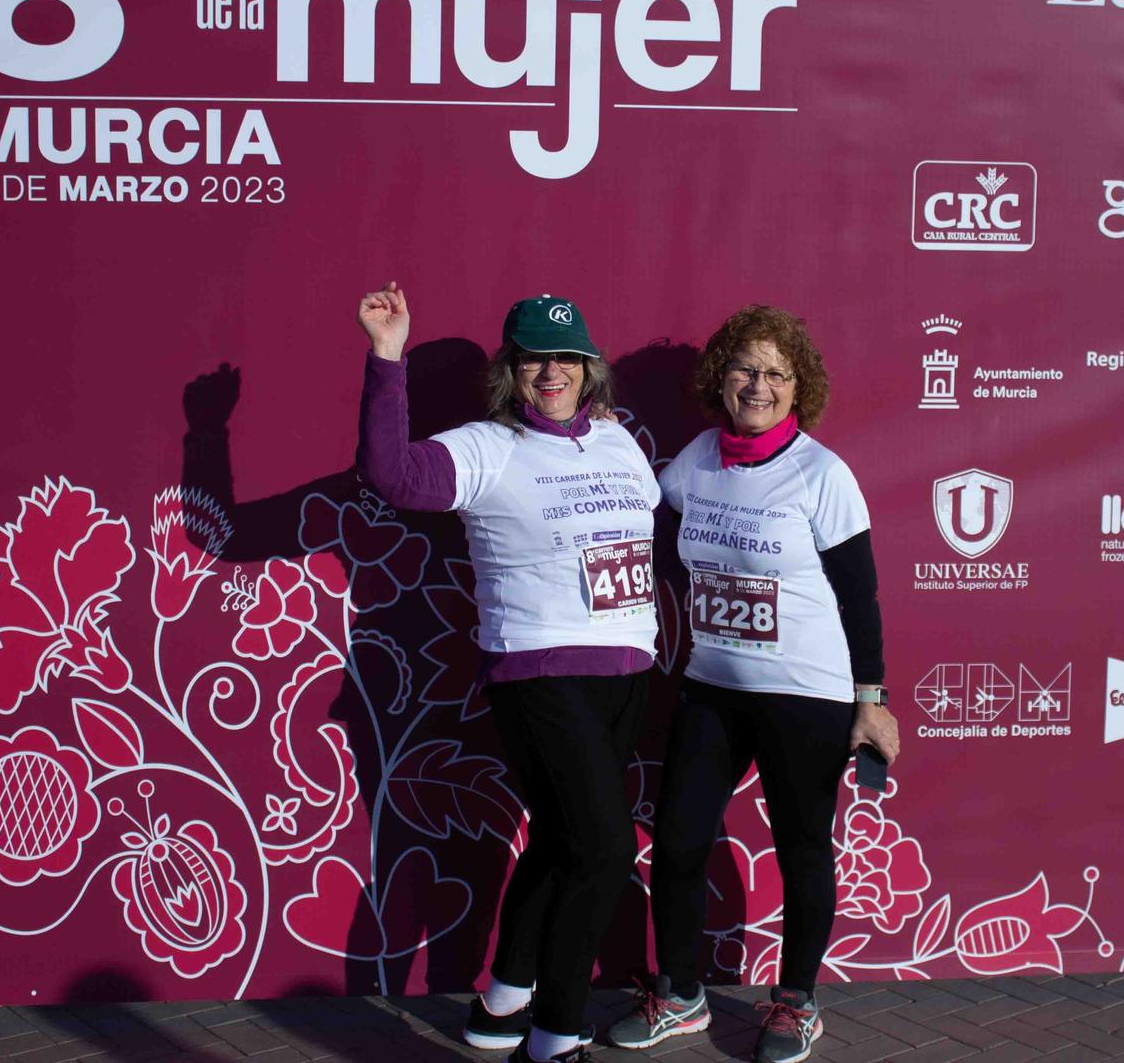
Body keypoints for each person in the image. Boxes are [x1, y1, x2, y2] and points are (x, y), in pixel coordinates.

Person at [357, 283, 660, 1063]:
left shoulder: (618, 440)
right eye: (533, 359)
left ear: (590, 368)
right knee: (601, 850)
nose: (551, 372)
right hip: (539, 670)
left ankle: (499, 1006)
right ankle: (556, 1031)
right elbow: (391, 474)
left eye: (567, 357)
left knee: (563, 840)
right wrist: (387, 357)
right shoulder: (486, 447)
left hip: (626, 670)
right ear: (510, 370)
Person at [609, 305, 899, 1063]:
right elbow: (638, 499)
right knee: (677, 840)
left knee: (803, 844)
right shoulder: (697, 458)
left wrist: (872, 700)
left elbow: (858, 595)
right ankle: (680, 994)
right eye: (744, 369)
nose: (759, 385)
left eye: (776, 372)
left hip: (807, 693)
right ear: (719, 378)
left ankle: (795, 1002)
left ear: (798, 384)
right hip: (713, 684)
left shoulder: (822, 474)